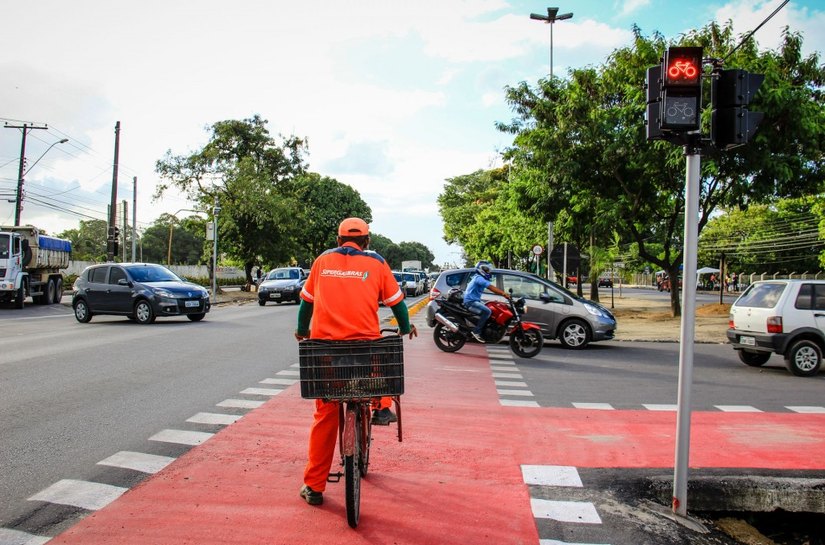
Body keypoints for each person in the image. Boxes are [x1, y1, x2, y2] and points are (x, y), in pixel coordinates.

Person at [294, 217, 418, 506]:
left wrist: (302, 332)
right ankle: (382, 407)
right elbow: (397, 303)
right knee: (381, 367)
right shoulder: (376, 262)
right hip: (364, 350)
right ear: (367, 241)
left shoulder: (322, 261)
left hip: (325, 352)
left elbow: (306, 304)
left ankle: (313, 486)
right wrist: (403, 327)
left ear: (338, 241)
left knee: (325, 414)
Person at [462, 260, 510, 343]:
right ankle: (476, 331)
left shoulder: (478, 278)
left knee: (490, 306)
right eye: (487, 270)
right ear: (482, 269)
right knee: (487, 312)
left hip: (474, 300)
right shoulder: (479, 278)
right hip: (470, 302)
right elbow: (490, 287)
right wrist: (503, 293)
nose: (489, 272)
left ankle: (485, 329)